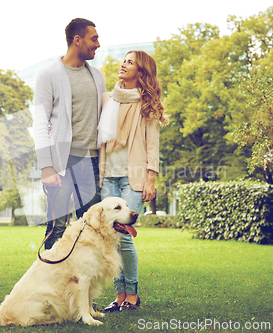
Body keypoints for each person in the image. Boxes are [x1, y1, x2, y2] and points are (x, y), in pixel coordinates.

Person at [98, 50, 168, 312]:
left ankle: (133, 296)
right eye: (123, 60)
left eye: (130, 62)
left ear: (141, 71)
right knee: (112, 238)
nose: (123, 64)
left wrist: (151, 178)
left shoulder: (147, 104)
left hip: (133, 178)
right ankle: (118, 297)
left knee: (125, 237)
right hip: (108, 176)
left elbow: (153, 145)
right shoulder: (107, 99)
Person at [33, 18, 107, 250]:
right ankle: (50, 281)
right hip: (61, 163)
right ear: (77, 40)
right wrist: (46, 166)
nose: (98, 44)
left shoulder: (97, 76)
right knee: (57, 228)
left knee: (92, 227)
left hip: (92, 162)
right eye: (93, 38)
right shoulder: (48, 75)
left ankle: (81, 281)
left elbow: (106, 116)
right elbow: (40, 122)